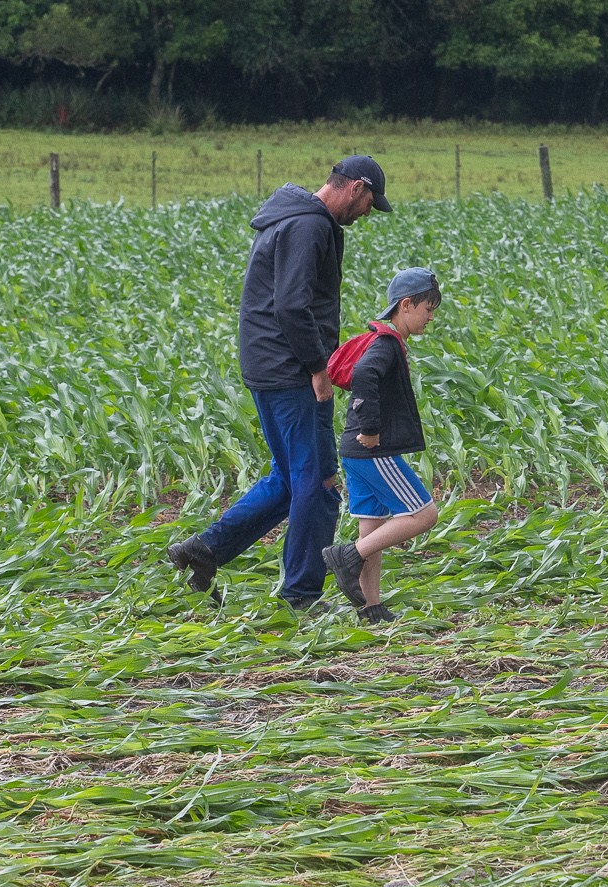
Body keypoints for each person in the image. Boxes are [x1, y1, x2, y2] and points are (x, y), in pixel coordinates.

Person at [167, 156, 392, 610]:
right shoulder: (309, 227)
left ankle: (206, 550)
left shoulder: (287, 218)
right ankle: (301, 595)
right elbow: (292, 306)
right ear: (355, 187)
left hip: (266, 366)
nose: (368, 211)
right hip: (292, 372)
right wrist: (317, 367)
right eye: (370, 201)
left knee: (290, 479)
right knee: (320, 482)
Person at [321, 267, 443, 623]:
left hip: (355, 451)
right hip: (373, 449)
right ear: (406, 305)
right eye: (428, 309)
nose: (431, 318)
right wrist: (372, 430)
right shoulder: (386, 344)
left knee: (371, 527)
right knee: (424, 514)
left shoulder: (383, 340)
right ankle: (346, 555)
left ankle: (370, 608)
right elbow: (364, 376)